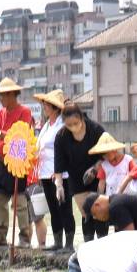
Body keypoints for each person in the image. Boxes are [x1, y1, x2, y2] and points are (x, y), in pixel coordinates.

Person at [0, 78, 35, 246]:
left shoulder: (25, 112)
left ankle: (24, 237)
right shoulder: (0, 114)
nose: (0, 99)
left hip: (18, 160)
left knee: (20, 200)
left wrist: (0, 134)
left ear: (11, 95)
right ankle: (0, 235)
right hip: (3, 162)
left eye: (2, 95)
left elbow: (22, 137)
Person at [53, 103, 106, 245]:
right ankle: (88, 244)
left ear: (81, 118)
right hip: (76, 179)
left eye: (75, 123)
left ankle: (103, 244)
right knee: (86, 213)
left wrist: (95, 168)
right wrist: (59, 186)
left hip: (97, 175)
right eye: (69, 125)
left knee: (99, 211)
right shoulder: (61, 136)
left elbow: (106, 152)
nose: (73, 127)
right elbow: (58, 165)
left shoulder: (96, 129)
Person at [34, 89, 70, 252]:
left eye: (48, 105)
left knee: (64, 207)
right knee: (53, 208)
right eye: (44, 104)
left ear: (56, 108)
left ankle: (68, 243)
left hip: (60, 173)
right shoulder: (46, 125)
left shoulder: (63, 126)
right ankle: (57, 241)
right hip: (45, 172)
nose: (45, 107)